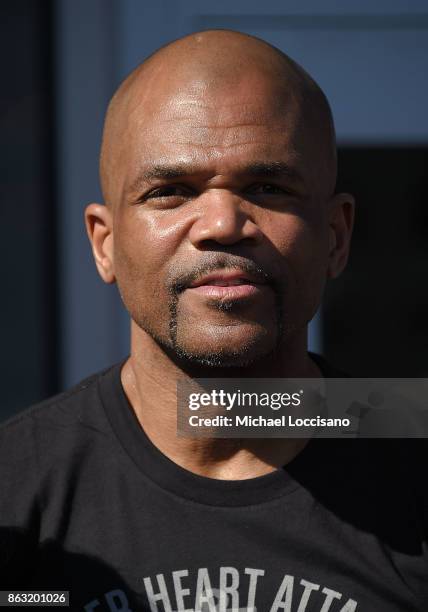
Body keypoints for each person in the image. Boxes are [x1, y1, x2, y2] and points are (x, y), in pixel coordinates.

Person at [0, 29, 427, 612]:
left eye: (268, 187)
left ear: (335, 236)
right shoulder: (16, 496)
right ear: (104, 244)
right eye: (171, 191)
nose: (222, 223)